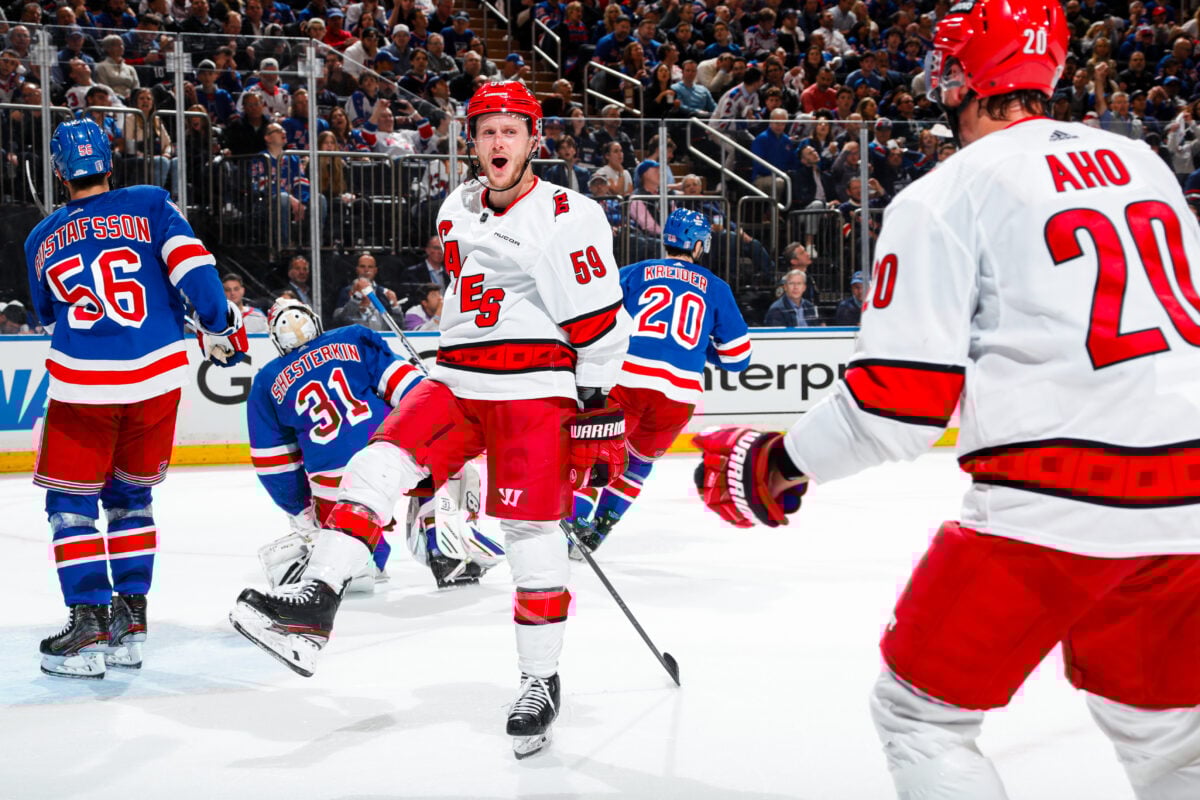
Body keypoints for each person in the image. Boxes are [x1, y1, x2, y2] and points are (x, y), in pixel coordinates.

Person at [690, 0, 1200, 796]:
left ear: (968, 74)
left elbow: (895, 407)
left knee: (921, 717)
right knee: (1171, 737)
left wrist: (776, 461)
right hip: (1190, 506)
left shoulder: (946, 192)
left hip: (1052, 505)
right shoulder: (1147, 165)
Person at [229, 82, 632, 759]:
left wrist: (596, 405)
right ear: (469, 140)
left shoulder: (571, 214)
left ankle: (540, 680)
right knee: (376, 461)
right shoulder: (454, 206)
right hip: (456, 378)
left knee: (530, 533)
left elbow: (599, 326)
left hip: (535, 387)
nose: (498, 142)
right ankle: (314, 604)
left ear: (535, 139)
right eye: (487, 131)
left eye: (512, 130)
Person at [24, 117, 247, 680]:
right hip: (156, 379)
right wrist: (218, 324)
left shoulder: (39, 237)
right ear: (109, 162)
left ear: (58, 172)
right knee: (130, 499)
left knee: (70, 505)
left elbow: (49, 313)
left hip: (82, 385)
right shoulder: (149, 202)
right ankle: (130, 621)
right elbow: (196, 270)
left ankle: (88, 622)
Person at [562, 209, 751, 556]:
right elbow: (738, 360)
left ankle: (575, 521)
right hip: (678, 396)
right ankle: (597, 533)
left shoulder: (634, 273)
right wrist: (701, 349)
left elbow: (595, 315)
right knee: (639, 465)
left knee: (599, 452)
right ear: (696, 245)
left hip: (627, 378)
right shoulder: (717, 288)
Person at [247, 298, 453, 594]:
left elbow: (275, 464)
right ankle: (442, 543)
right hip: (389, 453)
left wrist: (303, 512)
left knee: (356, 548)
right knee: (446, 463)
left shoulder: (266, 382)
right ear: (314, 321)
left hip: (333, 481)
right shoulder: (353, 337)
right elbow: (407, 389)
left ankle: (359, 560)